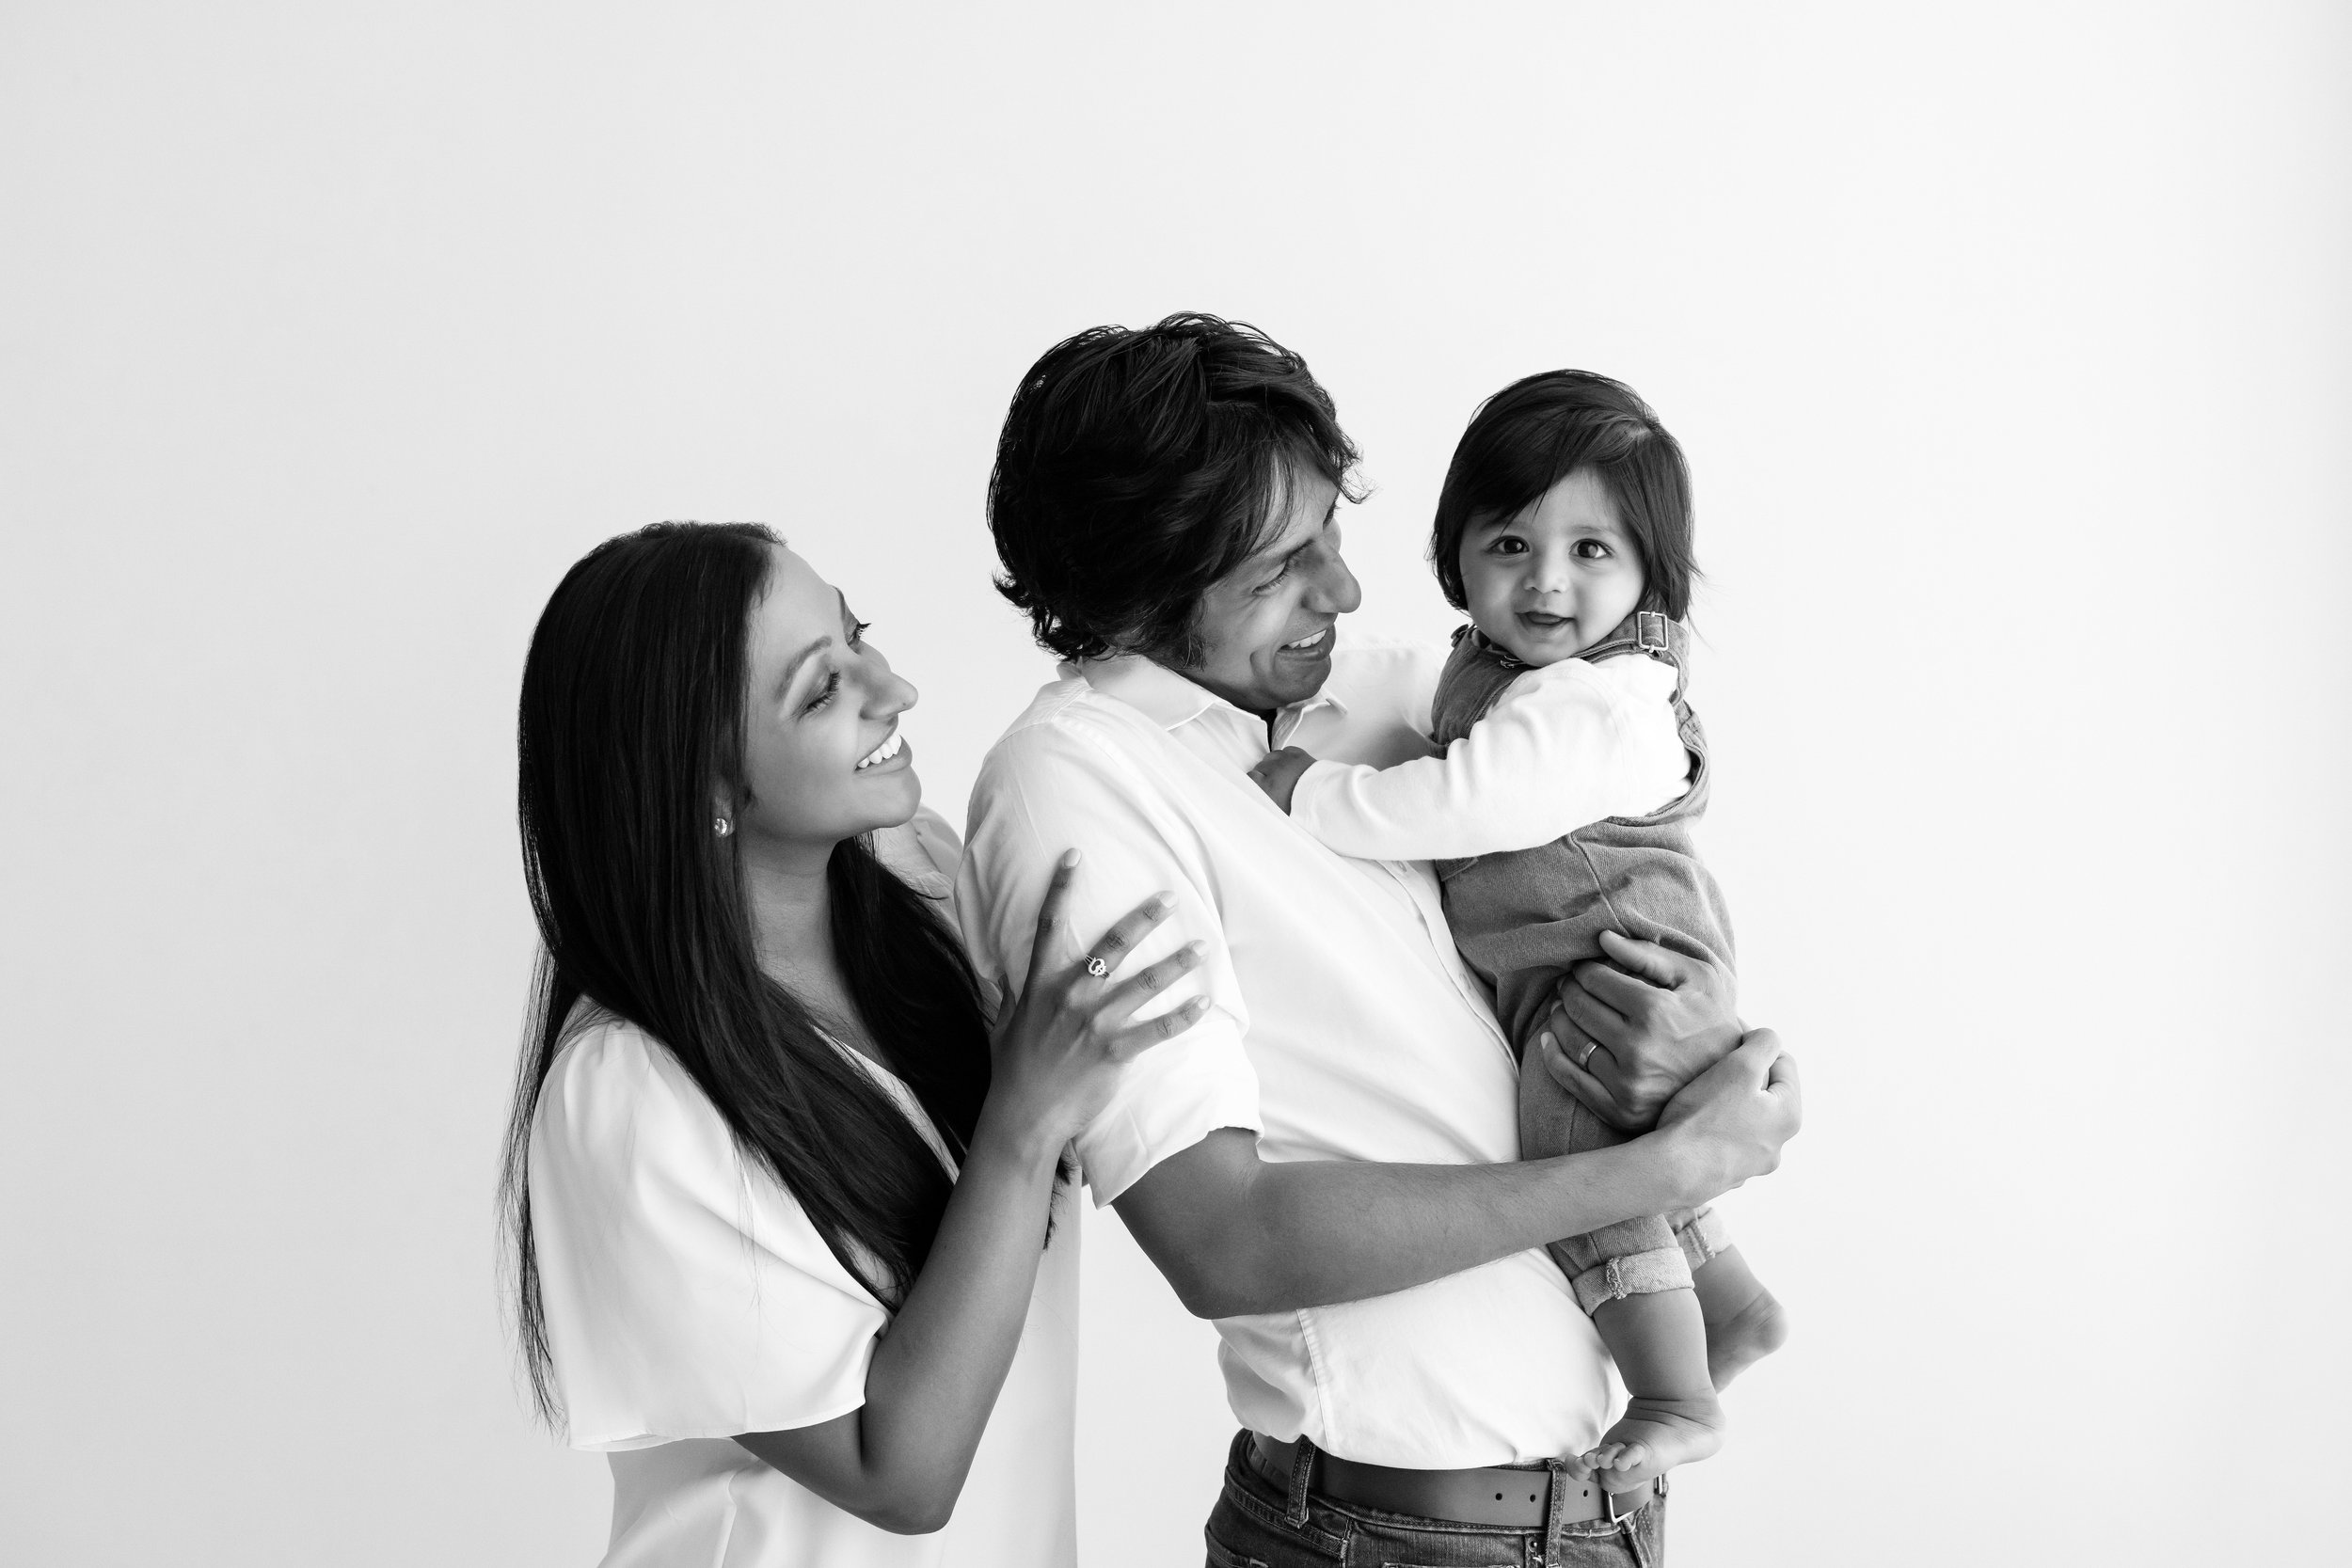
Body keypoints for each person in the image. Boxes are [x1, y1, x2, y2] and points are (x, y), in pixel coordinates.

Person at [957, 315, 1802, 1568]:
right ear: (1141, 590)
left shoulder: (1353, 696)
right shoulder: (1076, 787)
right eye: (1281, 567)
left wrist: (1708, 1062)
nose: (1343, 591)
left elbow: (1612, 768)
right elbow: (1223, 1236)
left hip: (1598, 1516)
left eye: (1333, 537)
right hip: (1391, 1536)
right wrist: (1662, 1169)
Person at [497, 522, 1207, 1568]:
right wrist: (1021, 1121)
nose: (895, 688)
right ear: (704, 788)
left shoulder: (925, 889)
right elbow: (902, 1473)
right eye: (820, 688)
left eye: (857, 635)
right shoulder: (629, 1094)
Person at [1246, 370, 1788, 1496]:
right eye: (1508, 543)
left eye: (1592, 550)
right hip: (1593, 962)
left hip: (1624, 970)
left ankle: (1674, 1388)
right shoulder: (1509, 676)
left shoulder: (1588, 700)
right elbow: (1415, 710)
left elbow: (1461, 801)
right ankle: (1729, 1307)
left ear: (1650, 571)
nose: (1545, 580)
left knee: (1578, 1156)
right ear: (1457, 554)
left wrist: (1310, 792)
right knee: (1642, 1166)